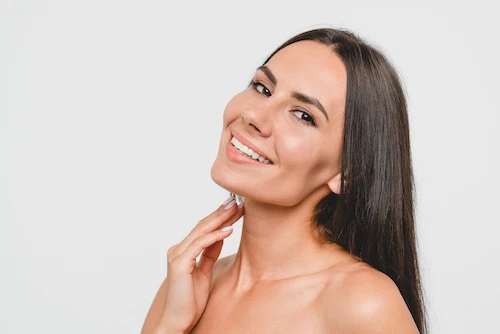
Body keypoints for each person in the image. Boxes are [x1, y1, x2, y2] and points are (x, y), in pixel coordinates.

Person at [141, 27, 427, 333]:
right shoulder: (187, 286)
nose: (254, 116)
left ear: (348, 172)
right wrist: (171, 326)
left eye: (303, 115)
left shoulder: (362, 303)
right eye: (263, 88)